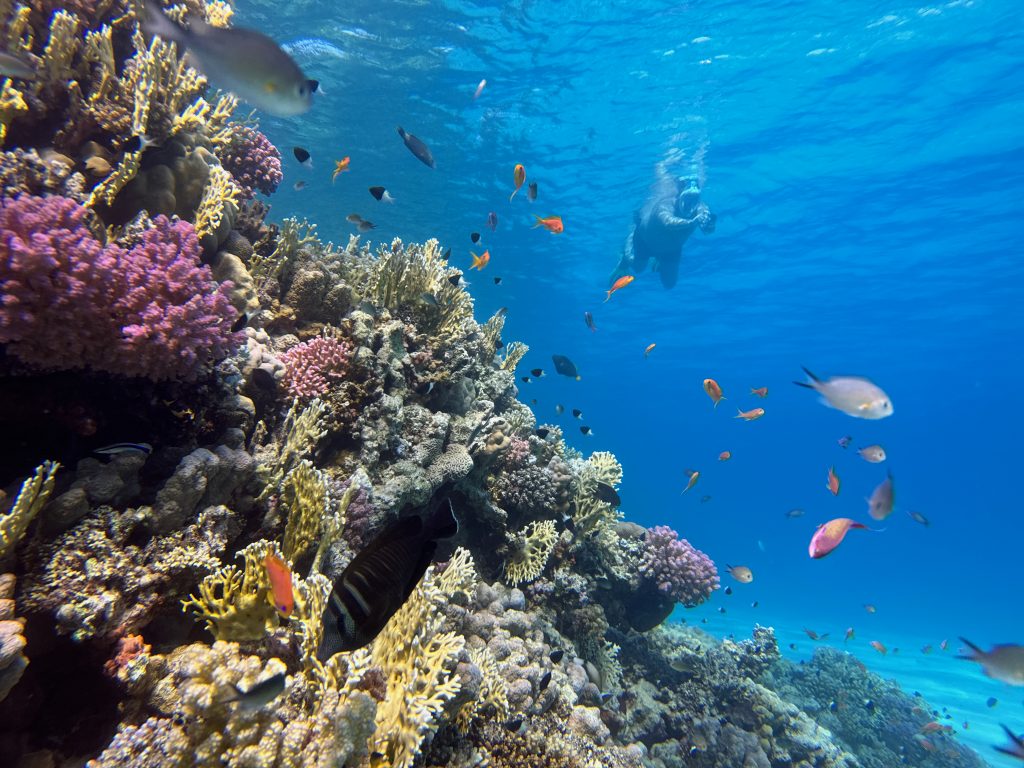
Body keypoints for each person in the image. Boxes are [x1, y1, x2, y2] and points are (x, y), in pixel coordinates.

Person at [610, 159, 716, 289]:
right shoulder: (665, 204)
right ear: (679, 195)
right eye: (688, 198)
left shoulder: (701, 207)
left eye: (694, 199)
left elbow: (708, 230)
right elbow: (668, 222)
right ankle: (626, 254)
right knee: (638, 268)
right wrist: (692, 221)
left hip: (672, 248)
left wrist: (709, 225)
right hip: (645, 241)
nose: (692, 203)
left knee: (669, 284)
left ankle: (659, 258)